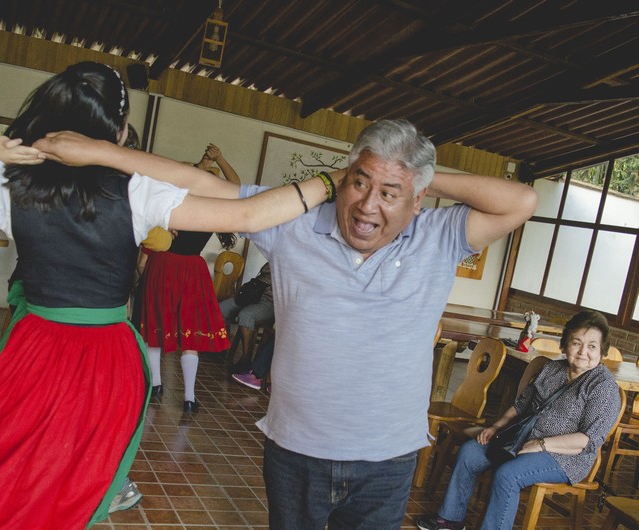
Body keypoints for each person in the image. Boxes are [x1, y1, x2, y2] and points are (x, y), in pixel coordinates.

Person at [0, 61, 336, 529]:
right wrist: (333, 181)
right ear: (118, 128)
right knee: (66, 487)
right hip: (104, 358)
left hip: (34, 347)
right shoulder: (136, 192)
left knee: (1, 466)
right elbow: (251, 216)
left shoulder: (8, 183)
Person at [34, 117, 538, 529]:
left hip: (387, 459)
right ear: (344, 177)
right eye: (360, 182)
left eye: (390, 192)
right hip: (297, 449)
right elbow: (202, 184)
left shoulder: (440, 236)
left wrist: (411, 173)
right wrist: (101, 152)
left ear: (418, 198)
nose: (367, 205)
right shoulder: (294, 221)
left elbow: (521, 201)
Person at [415, 309, 622, 530]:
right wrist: (496, 427)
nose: (583, 352)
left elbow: (588, 440)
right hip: (523, 438)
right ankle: (450, 520)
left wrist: (541, 444)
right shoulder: (554, 369)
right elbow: (521, 404)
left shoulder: (602, 386)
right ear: (565, 345)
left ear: (602, 351)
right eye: (576, 343)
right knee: (470, 452)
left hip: (565, 457)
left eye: (592, 346)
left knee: (508, 475)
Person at [139, 143, 240, 413]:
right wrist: (220, 159)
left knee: (155, 327)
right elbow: (236, 186)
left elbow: (177, 180)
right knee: (190, 334)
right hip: (192, 270)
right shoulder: (214, 209)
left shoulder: (174, 202)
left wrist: (204, 164)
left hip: (163, 265)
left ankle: (155, 385)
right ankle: (189, 397)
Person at [220, 261, 274, 373]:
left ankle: (246, 360)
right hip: (251, 294)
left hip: (269, 301)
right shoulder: (275, 256)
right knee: (220, 309)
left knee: (246, 316)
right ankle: (220, 345)